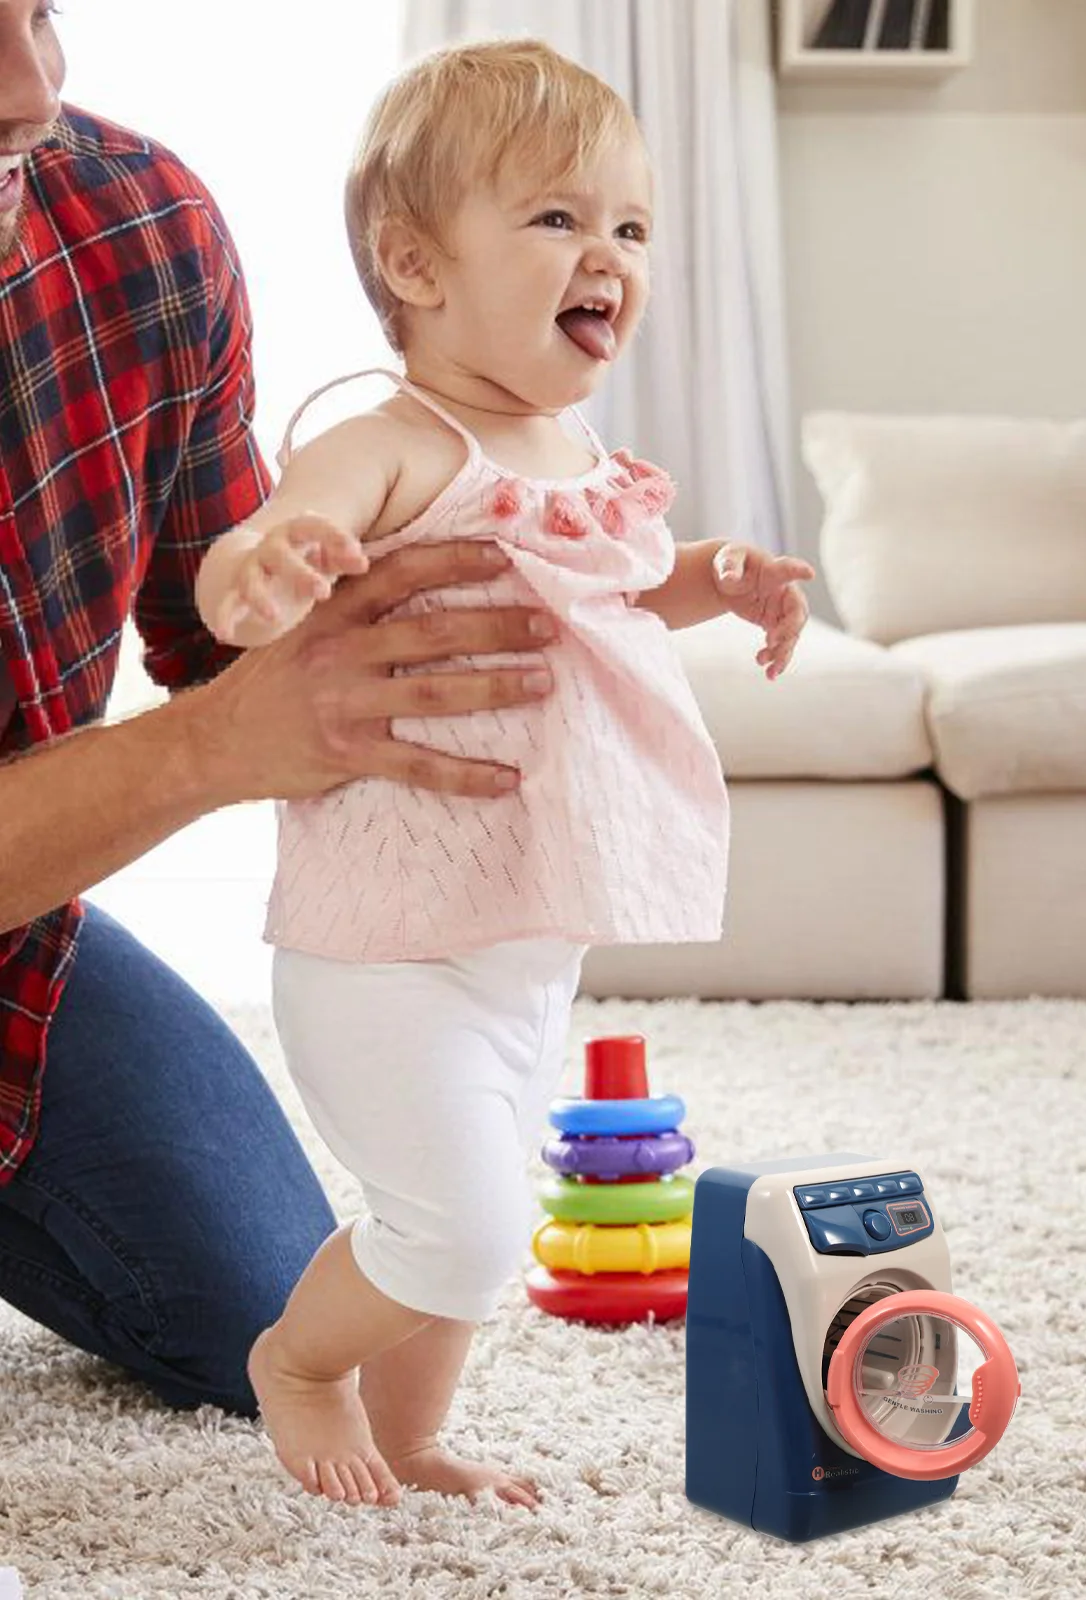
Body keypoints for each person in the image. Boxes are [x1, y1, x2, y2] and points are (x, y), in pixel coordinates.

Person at [193, 39, 813, 1511]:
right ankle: (298, 1361)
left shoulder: (576, 452)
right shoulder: (394, 441)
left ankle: (413, 1441)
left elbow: (615, 595)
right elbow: (260, 552)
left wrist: (715, 576)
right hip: (389, 944)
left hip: (528, 942)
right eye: (556, 219)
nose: (606, 255)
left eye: (632, 227)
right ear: (415, 262)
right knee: (458, 1230)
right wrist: (268, 571)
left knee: (473, 1221)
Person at [0, 0, 564, 1418]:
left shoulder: (137, 226)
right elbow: (222, 719)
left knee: (285, 1319)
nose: (30, 91)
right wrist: (215, 745)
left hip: (19, 926)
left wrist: (436, 555)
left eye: (41, 14)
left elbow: (220, 633)